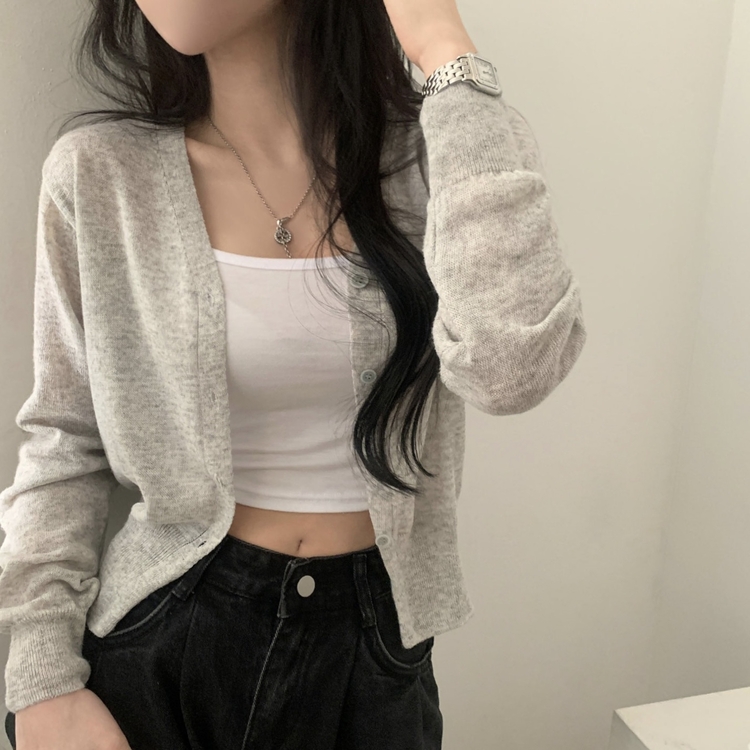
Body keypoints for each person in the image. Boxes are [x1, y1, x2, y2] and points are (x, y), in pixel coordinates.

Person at [0, 0, 587, 748]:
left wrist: (444, 48)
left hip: (374, 655)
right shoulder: (100, 173)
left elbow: (513, 369)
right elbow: (65, 440)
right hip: (163, 641)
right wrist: (42, 678)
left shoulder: (444, 151)